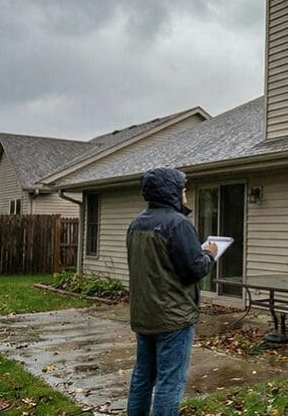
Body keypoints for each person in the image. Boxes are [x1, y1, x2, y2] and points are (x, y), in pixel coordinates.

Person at [125, 166, 218, 416]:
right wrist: (209, 253)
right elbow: (194, 269)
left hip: (144, 315)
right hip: (173, 318)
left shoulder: (136, 224)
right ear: (172, 192)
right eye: (182, 188)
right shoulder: (178, 224)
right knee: (170, 382)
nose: (185, 192)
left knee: (142, 377)